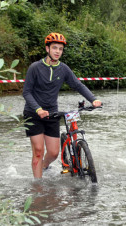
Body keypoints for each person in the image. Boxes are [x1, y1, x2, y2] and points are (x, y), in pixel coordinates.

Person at [23, 32, 102, 179]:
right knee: (39, 150)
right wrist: (38, 109)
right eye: (54, 48)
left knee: (53, 153)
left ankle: (44, 166)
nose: (57, 51)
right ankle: (38, 187)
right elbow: (26, 93)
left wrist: (93, 99)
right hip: (33, 114)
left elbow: (78, 85)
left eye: (60, 49)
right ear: (47, 49)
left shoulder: (63, 69)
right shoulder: (35, 67)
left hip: (52, 113)